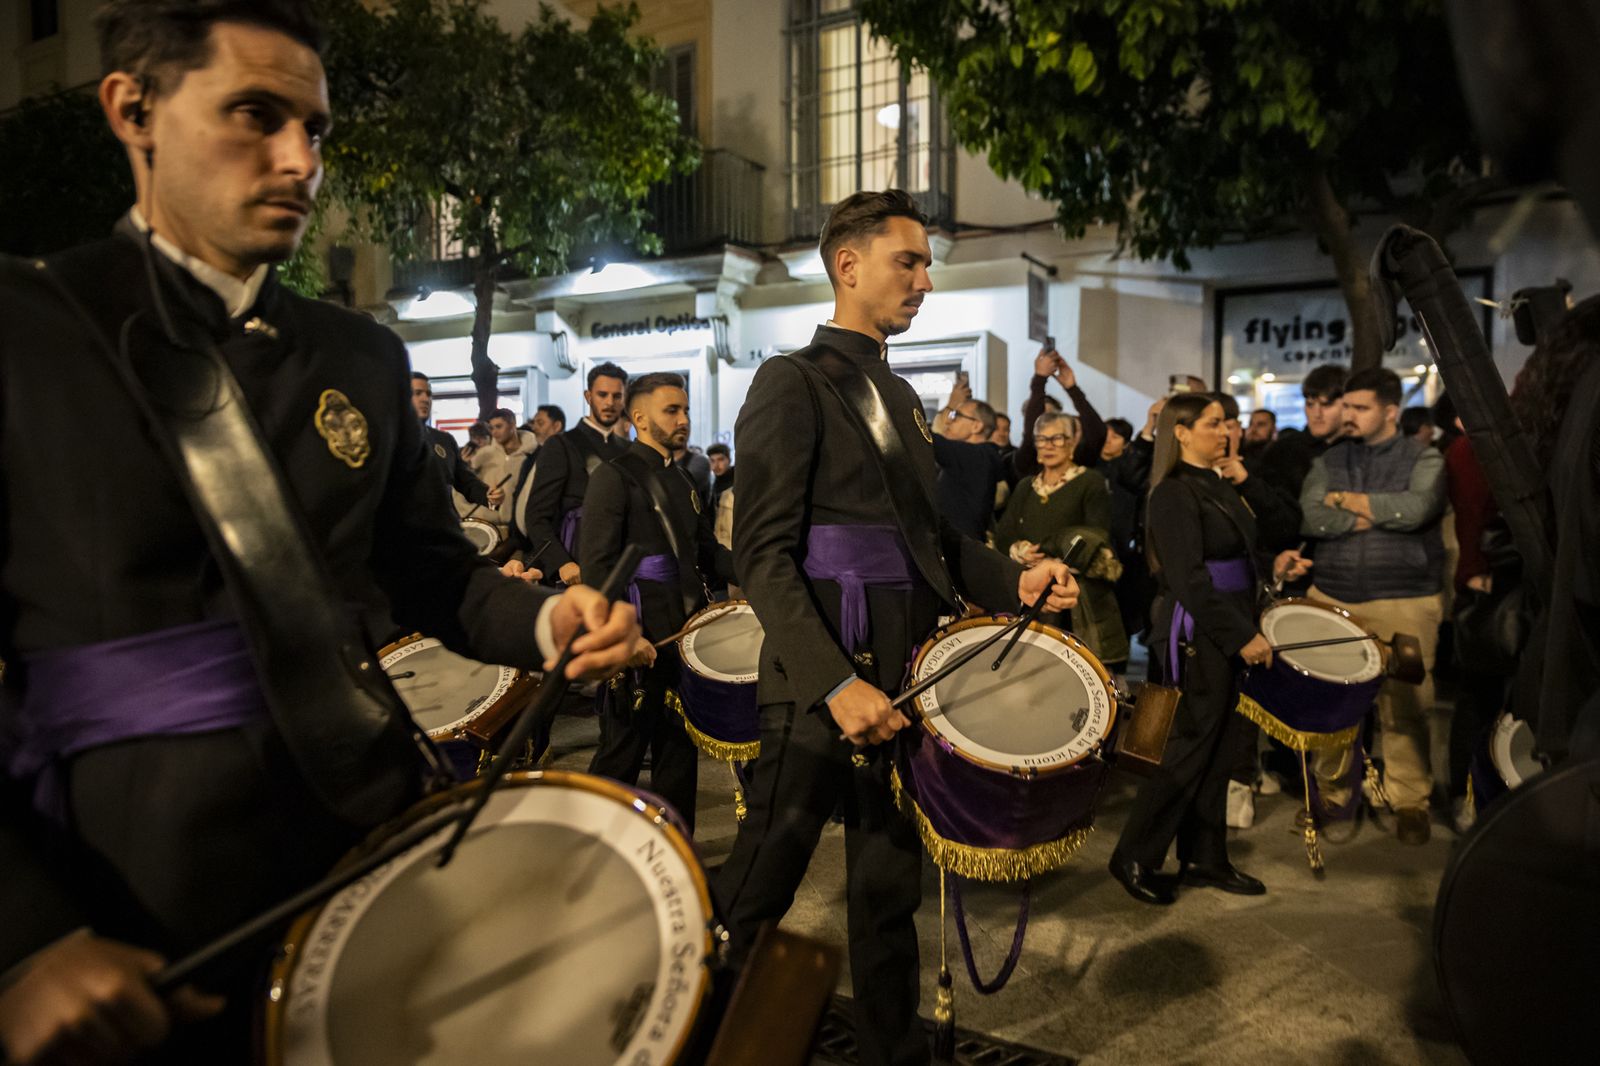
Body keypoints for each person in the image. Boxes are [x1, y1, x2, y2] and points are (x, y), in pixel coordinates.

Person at [0, 3, 642, 1061]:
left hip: (355, 827)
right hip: (119, 879)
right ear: (133, 110)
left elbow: (431, 569)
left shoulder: (358, 356)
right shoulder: (31, 330)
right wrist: (26, 938)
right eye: (255, 114)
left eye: (317, 129)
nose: (300, 158)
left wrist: (544, 617)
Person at [718, 189, 1076, 1066]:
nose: (923, 281)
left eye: (926, 266)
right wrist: (835, 684)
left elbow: (936, 543)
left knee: (887, 897)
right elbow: (761, 556)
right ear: (849, 265)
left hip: (905, 676)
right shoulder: (790, 381)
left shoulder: (902, 394)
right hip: (819, 680)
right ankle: (687, 1033)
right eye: (906, 262)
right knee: (757, 892)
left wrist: (1015, 574)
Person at [1110, 395, 1310, 905]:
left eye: (1227, 423)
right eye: (1214, 423)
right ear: (1180, 431)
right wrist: (1240, 635)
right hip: (1198, 631)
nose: (1225, 431)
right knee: (1188, 744)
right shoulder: (1173, 493)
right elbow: (1189, 579)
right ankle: (1134, 854)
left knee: (1223, 746)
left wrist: (1272, 566)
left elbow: (1253, 545)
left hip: (1230, 619)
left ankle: (1204, 857)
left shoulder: (1218, 482)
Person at [580, 373, 735, 831]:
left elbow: (706, 553)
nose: (684, 419)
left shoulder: (684, 477)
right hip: (640, 633)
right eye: (673, 410)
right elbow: (598, 570)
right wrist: (624, 636)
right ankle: (587, 847)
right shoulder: (614, 476)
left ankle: (674, 846)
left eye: (686, 410)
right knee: (621, 754)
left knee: (678, 752)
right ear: (640, 417)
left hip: (683, 632)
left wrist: (766, 570)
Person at [1301, 368, 1447, 844]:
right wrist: (1380, 513)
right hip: (1334, 595)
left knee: (1405, 704)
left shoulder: (1423, 456)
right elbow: (1313, 516)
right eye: (1346, 406)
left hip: (1404, 597)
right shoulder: (1330, 459)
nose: (1347, 415)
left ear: (1391, 411)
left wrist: (1346, 502)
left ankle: (1410, 800)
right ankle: (1334, 795)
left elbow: (1418, 509)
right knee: (1333, 705)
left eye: (1359, 408)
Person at [994, 412, 1128, 670]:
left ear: (1072, 442)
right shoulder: (1025, 486)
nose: (1048, 446)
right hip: (1030, 591)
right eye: (1042, 439)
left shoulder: (1090, 481)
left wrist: (1049, 551)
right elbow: (1004, 534)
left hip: (1074, 595)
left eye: (1057, 438)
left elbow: (1097, 533)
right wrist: (1019, 549)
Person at [517, 362, 630, 583]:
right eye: (602, 394)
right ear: (588, 397)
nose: (610, 402)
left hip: (622, 564)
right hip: (575, 562)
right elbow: (537, 516)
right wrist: (561, 563)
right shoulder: (561, 444)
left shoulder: (628, 450)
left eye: (617, 396)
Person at [931, 380, 1008, 538]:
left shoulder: (980, 455)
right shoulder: (973, 456)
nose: (948, 421)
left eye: (956, 416)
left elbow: (927, 440)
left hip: (962, 553)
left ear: (976, 426)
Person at [1015, 348, 1107, 476]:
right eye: (1042, 439)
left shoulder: (1082, 464)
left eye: (1050, 418)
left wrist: (1072, 389)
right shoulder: (1026, 460)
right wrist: (1039, 379)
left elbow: (1098, 432)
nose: (1049, 445)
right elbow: (1031, 434)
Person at [411, 371, 489, 510]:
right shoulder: (389, 440)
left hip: (443, 524)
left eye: (428, 394)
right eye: (417, 393)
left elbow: (466, 481)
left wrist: (489, 495)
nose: (425, 399)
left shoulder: (444, 440)